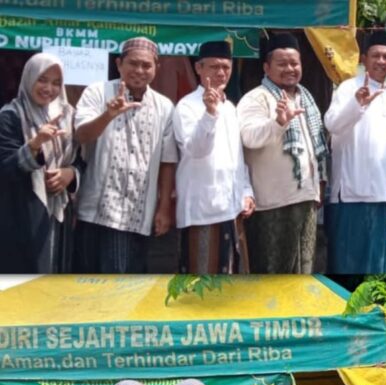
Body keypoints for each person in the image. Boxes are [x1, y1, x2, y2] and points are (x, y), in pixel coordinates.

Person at [74, 37, 178, 272]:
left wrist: (163, 209)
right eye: (133, 63)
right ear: (119, 64)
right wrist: (107, 115)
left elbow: (167, 160)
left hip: (139, 212)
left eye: (146, 65)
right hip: (98, 209)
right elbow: (81, 135)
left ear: (156, 68)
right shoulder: (98, 93)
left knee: (128, 286)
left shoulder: (164, 107)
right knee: (94, 285)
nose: (139, 70)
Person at [238, 33, 329, 274]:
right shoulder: (256, 99)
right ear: (267, 67)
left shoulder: (305, 98)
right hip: (272, 207)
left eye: (294, 63)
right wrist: (278, 122)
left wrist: (319, 185)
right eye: (282, 64)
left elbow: (315, 148)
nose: (290, 68)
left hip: (306, 201)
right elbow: (249, 137)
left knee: (303, 274)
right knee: (272, 277)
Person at [173, 40, 255, 274]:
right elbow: (196, 151)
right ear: (199, 68)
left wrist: (247, 191)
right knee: (200, 285)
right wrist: (209, 114)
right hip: (202, 210)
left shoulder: (230, 107)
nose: (220, 73)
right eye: (214, 67)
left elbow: (237, 159)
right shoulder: (187, 106)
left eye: (226, 67)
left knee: (231, 284)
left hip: (232, 207)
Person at [324, 30, 386, 274]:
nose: (381, 61)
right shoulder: (348, 88)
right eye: (375, 56)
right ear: (364, 59)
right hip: (350, 195)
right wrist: (357, 103)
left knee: (377, 268)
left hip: (380, 195)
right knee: (348, 268)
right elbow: (332, 125)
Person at [0, 52, 80, 273]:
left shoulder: (68, 116)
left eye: (56, 83)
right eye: (42, 80)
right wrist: (35, 144)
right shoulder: (10, 116)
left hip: (58, 215)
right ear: (28, 79)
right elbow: (5, 169)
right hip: (21, 214)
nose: (49, 88)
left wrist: (69, 174)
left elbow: (82, 160)